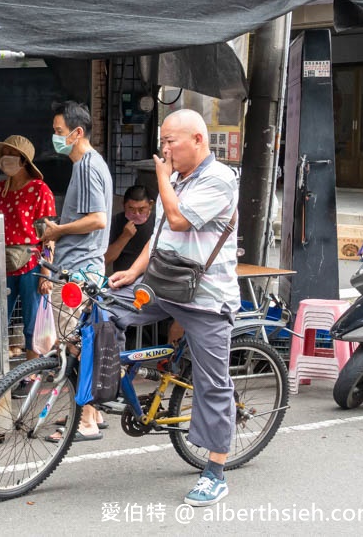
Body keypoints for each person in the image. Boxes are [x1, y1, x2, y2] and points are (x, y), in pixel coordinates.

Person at [108, 109, 240, 507]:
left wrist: (162, 179)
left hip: (206, 299)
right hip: (164, 286)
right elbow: (162, 234)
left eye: (171, 142)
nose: (163, 150)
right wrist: (131, 271)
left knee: (212, 384)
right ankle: (113, 382)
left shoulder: (220, 179)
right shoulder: (179, 178)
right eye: (162, 142)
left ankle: (215, 472)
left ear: (199, 140)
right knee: (104, 308)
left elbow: (179, 220)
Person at [38, 101, 113, 442]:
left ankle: (83, 421)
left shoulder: (85, 166)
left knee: (75, 345)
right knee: (84, 341)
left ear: (76, 132)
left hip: (78, 270)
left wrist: (57, 231)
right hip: (88, 267)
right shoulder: (95, 164)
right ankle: (92, 412)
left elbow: (98, 219)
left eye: (59, 132)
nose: (56, 138)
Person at [0, 135, 56, 359]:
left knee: (32, 321)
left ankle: (30, 375)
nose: (6, 159)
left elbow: (48, 235)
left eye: (12, 155)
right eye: (4, 154)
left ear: (24, 161)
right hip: (1, 261)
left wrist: (46, 271)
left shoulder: (39, 190)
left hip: (31, 262)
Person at [105, 185, 155, 273]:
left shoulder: (157, 222)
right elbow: (106, 260)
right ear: (124, 206)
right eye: (131, 209)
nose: (136, 214)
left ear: (150, 205)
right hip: (122, 279)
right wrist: (125, 236)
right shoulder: (116, 221)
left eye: (141, 209)